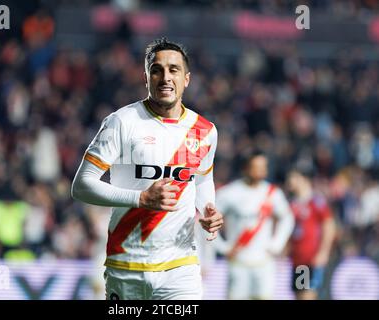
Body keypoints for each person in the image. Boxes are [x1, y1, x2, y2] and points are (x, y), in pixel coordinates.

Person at [71, 38, 223, 300]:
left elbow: (201, 180)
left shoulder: (205, 131)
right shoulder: (122, 122)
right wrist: (140, 198)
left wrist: (208, 209)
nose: (166, 77)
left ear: (186, 78)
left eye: (174, 70)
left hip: (180, 267)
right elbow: (81, 186)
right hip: (127, 264)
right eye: (157, 70)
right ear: (146, 77)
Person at [214, 150, 294, 300]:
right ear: (245, 168)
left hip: (264, 262)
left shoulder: (272, 193)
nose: (260, 171)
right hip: (238, 262)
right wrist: (223, 247)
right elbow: (206, 222)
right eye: (256, 167)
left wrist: (276, 244)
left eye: (263, 167)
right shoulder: (229, 193)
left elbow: (287, 218)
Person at [286, 167, 336, 300]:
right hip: (298, 260)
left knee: (308, 295)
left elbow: (329, 226)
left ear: (303, 179)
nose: (289, 181)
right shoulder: (293, 203)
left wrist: (323, 252)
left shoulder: (316, 201)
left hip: (311, 259)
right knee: (299, 295)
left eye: (293, 177)